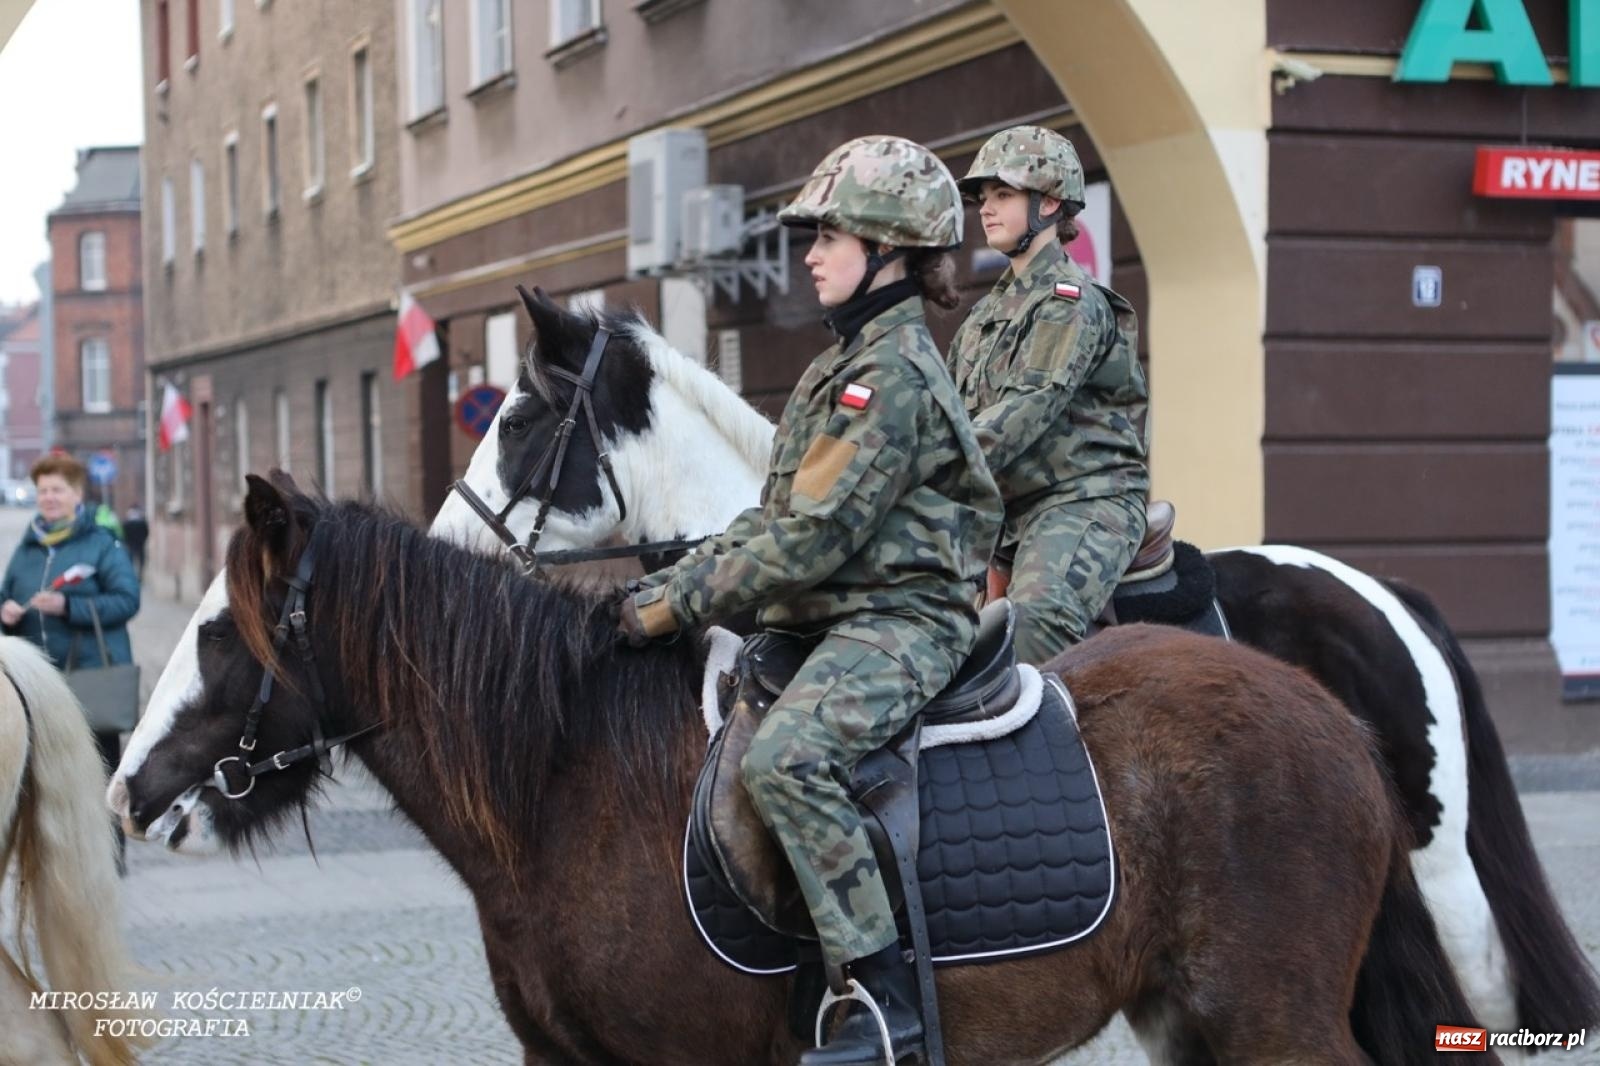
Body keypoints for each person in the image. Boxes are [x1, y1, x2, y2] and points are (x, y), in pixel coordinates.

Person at [617, 136, 1001, 1064]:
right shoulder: (844, 368)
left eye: (831, 235)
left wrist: (669, 610)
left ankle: (888, 1010)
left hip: (903, 620)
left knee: (786, 759)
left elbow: (805, 543)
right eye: (812, 236)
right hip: (842, 612)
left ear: (891, 253)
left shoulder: (891, 378)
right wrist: (659, 586)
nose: (811, 254)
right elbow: (770, 518)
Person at [947, 125, 1151, 664]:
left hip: (1083, 501)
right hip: (1003, 515)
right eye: (984, 198)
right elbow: (946, 415)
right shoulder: (981, 319)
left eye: (1004, 195)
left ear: (1050, 204)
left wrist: (928, 465)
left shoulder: (1070, 301)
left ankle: (1047, 750)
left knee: (1033, 623)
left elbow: (1027, 408)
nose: (987, 209)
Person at [0, 454, 141, 865]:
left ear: (77, 495)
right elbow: (7, 593)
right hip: (39, 687)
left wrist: (67, 606)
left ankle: (112, 858)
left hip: (91, 681)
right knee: (45, 776)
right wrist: (6, 610)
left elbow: (127, 599)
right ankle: (55, 856)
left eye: (57, 490)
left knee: (100, 770)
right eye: (43, 491)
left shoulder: (101, 545)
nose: (49, 498)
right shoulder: (27, 549)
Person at [122, 504, 150, 581]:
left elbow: (124, 534)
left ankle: (134, 575)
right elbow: (146, 533)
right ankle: (139, 576)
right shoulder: (141, 522)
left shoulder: (127, 523)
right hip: (139, 544)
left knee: (132, 561)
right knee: (140, 562)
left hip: (131, 544)